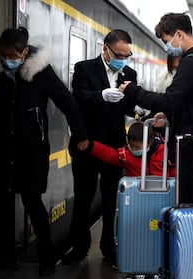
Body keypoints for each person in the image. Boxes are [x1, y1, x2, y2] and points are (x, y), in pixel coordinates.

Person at [0, 27, 89, 276]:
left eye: (11, 55)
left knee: (32, 202)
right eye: (3, 55)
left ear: (24, 53)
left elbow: (68, 103)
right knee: (1, 203)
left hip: (31, 152)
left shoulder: (41, 73)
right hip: (4, 150)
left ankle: (46, 256)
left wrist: (80, 135)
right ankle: (5, 254)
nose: (7, 60)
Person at [121, 13, 193, 204]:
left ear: (179, 34)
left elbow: (170, 100)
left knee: (188, 202)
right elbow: (192, 103)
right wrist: (169, 117)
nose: (167, 46)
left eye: (167, 41)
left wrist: (134, 91)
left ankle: (189, 234)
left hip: (192, 146)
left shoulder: (190, 64)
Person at [61, 29, 137, 265]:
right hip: (86, 145)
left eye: (127, 55)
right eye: (119, 55)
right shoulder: (84, 69)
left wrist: (138, 109)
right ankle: (79, 246)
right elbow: (79, 98)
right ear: (105, 49)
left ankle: (108, 247)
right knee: (83, 197)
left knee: (110, 200)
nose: (123, 60)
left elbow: (129, 106)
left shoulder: (129, 73)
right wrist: (101, 95)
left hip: (114, 148)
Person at [88, 122, 175, 177]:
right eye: (131, 145)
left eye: (137, 147)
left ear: (149, 143)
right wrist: (91, 146)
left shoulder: (165, 151)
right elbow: (108, 154)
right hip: (137, 193)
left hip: (162, 191)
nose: (133, 149)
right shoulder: (126, 154)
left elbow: (175, 171)